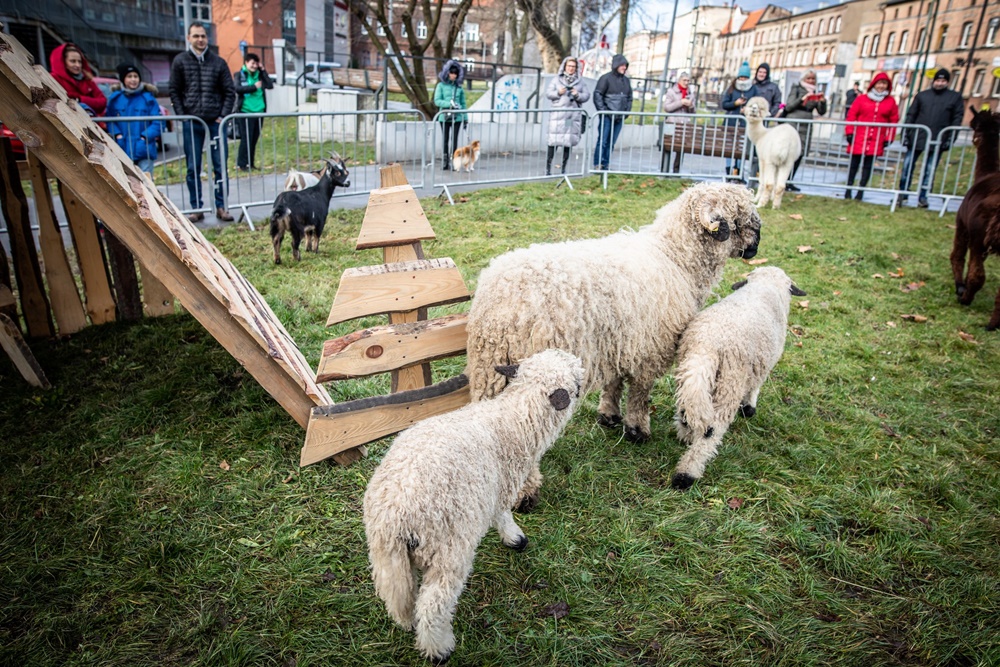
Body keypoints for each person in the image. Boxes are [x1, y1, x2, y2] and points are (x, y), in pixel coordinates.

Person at [169, 21, 236, 223]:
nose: (200, 39)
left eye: (203, 36)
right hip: (192, 121)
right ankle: (197, 207)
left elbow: (229, 92)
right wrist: (183, 115)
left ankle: (221, 206)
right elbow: (174, 91)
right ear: (189, 38)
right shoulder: (180, 61)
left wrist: (222, 116)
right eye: (196, 36)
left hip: (215, 121)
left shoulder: (219, 63)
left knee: (220, 165)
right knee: (193, 166)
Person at [897, 69, 964, 208]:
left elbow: (957, 119)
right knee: (908, 166)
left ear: (947, 82)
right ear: (933, 81)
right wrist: (906, 134)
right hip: (917, 137)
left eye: (943, 81)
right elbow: (911, 115)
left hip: (938, 138)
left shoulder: (954, 97)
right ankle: (902, 193)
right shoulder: (922, 96)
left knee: (929, 169)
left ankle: (923, 196)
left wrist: (950, 138)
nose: (940, 83)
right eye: (938, 80)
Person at [844, 72, 899, 201]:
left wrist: (889, 138)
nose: (881, 86)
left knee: (868, 166)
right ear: (874, 84)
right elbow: (852, 115)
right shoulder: (862, 99)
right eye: (879, 83)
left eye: (884, 84)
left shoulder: (890, 102)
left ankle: (861, 191)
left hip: (876, 138)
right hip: (860, 136)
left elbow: (893, 120)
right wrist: (849, 132)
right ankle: (848, 189)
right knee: (854, 164)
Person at [105, 64, 162, 177]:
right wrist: (117, 134)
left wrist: (145, 137)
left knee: (146, 183)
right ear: (123, 79)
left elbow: (158, 122)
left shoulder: (148, 99)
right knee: (126, 183)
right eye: (129, 76)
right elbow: (109, 119)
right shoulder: (115, 99)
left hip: (144, 148)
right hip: (122, 147)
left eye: (135, 76)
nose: (133, 79)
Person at [544, 56, 590, 175]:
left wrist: (577, 95)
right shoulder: (556, 80)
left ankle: (563, 168)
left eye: (573, 67)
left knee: (567, 141)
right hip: (557, 115)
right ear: (565, 66)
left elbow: (586, 96)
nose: (571, 69)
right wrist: (558, 93)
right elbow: (548, 94)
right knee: (553, 141)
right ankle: (548, 168)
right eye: (569, 66)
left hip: (571, 117)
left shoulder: (581, 82)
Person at [784, 70, 827, 191]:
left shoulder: (816, 92)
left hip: (806, 125)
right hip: (793, 123)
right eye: (808, 78)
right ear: (803, 79)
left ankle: (789, 180)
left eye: (813, 79)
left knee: (800, 153)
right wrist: (802, 99)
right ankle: (782, 179)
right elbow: (789, 106)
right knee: (788, 153)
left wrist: (822, 102)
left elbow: (821, 111)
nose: (811, 81)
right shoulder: (796, 88)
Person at [232, 53, 274, 172]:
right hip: (245, 111)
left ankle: (251, 163)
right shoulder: (240, 75)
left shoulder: (259, 75)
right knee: (246, 138)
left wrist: (263, 70)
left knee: (254, 138)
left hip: (259, 111)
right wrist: (253, 87)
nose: (254, 66)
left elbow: (270, 85)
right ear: (246, 63)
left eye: (256, 63)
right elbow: (237, 89)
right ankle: (242, 164)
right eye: (252, 63)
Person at [592, 54, 633, 171]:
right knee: (603, 141)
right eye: (622, 65)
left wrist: (626, 112)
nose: (624, 68)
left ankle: (606, 163)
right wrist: (604, 111)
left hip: (619, 117)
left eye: (625, 65)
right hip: (607, 116)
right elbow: (598, 95)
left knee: (611, 142)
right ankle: (597, 163)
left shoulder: (626, 81)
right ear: (616, 65)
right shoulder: (605, 78)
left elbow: (629, 98)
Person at [721, 61, 757, 181]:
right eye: (741, 77)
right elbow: (724, 104)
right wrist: (735, 103)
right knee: (729, 148)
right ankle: (729, 171)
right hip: (731, 123)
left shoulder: (753, 89)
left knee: (741, 149)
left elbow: (755, 103)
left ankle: (738, 172)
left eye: (745, 77)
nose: (743, 79)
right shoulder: (731, 88)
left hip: (744, 124)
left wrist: (747, 109)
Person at [49, 43, 106, 116]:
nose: (78, 65)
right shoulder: (54, 78)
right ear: (63, 62)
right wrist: (88, 101)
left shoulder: (87, 80)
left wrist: (79, 99)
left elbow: (103, 102)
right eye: (73, 61)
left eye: (80, 61)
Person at [433, 60, 467, 171]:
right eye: (451, 73)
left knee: (455, 140)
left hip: (457, 117)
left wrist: (465, 118)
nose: (453, 75)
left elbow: (463, 104)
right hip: (444, 117)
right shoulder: (441, 86)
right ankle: (445, 161)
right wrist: (449, 104)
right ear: (447, 73)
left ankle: (454, 161)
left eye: (455, 73)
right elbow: (437, 100)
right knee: (445, 140)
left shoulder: (459, 88)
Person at [661, 71, 696, 173]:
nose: (686, 82)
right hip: (672, 122)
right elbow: (667, 107)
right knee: (667, 146)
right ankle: (664, 169)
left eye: (688, 80)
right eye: (684, 80)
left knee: (681, 149)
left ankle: (676, 170)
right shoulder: (671, 91)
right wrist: (680, 102)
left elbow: (694, 111)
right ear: (679, 80)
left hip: (684, 124)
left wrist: (690, 105)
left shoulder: (690, 93)